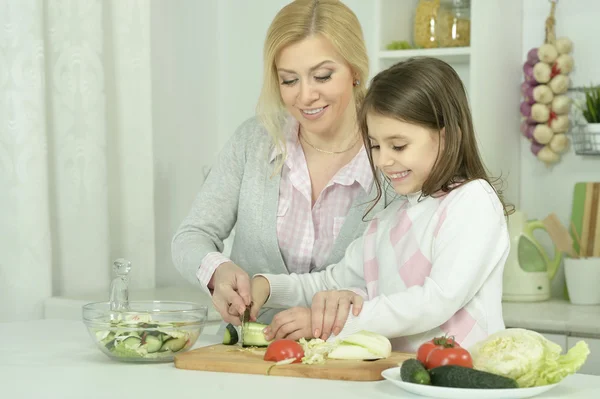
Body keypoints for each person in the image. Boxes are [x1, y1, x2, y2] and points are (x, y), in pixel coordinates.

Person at [250, 57, 513, 351]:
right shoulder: (388, 221)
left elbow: (435, 301)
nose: (384, 160)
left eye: (398, 146)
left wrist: (328, 323)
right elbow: (330, 281)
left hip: (467, 382)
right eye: (375, 146)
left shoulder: (472, 201)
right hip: (406, 378)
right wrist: (266, 287)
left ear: (447, 137)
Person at [171, 0, 394, 326]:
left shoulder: (391, 156)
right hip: (249, 356)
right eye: (290, 80)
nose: (305, 96)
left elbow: (407, 278)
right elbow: (191, 236)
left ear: (355, 71)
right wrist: (217, 269)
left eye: (322, 76)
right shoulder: (253, 140)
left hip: (352, 357)